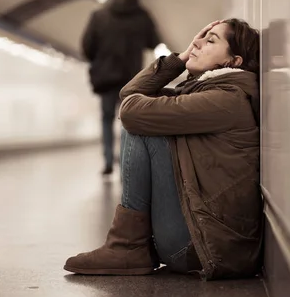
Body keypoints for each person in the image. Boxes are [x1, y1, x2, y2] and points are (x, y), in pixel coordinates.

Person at [65, 19, 263, 280]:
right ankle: (128, 246)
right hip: (207, 238)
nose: (197, 43)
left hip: (205, 249)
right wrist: (181, 59)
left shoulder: (226, 100)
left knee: (140, 126)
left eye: (210, 40)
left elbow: (130, 110)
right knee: (142, 119)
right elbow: (129, 94)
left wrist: (180, 64)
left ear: (233, 61)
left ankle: (127, 247)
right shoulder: (210, 91)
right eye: (201, 38)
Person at [81, 0, 160, 176]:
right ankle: (126, 161)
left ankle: (108, 160)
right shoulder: (142, 17)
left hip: (106, 77)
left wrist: (99, 60)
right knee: (127, 120)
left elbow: (87, 47)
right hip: (132, 78)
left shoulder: (99, 16)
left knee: (107, 119)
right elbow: (153, 42)